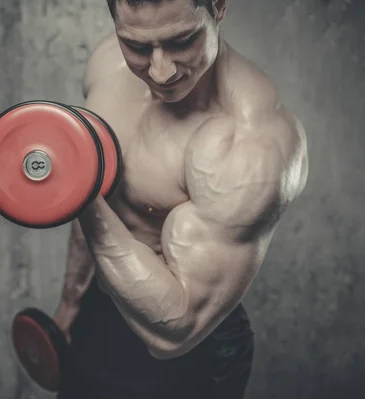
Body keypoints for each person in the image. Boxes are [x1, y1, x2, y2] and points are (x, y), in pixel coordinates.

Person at [51, 0, 309, 398]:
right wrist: (70, 302)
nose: (160, 70)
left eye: (182, 40)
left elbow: (177, 331)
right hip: (99, 309)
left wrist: (80, 194)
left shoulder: (251, 141)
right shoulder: (108, 63)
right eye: (137, 47)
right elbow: (105, 195)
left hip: (189, 351)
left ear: (219, 6)